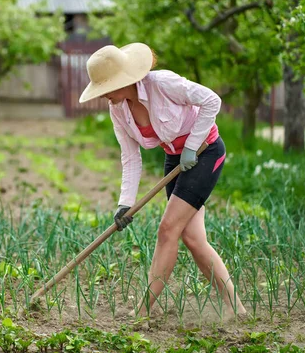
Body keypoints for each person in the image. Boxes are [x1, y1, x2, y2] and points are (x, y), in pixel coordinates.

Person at [79, 43, 247, 318]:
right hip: (174, 160)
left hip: (205, 152)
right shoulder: (118, 111)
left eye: (106, 87)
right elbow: (130, 158)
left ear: (125, 80)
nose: (104, 95)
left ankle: (144, 311)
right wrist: (125, 205)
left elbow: (211, 100)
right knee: (193, 239)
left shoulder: (163, 84)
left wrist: (192, 145)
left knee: (167, 230)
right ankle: (237, 310)